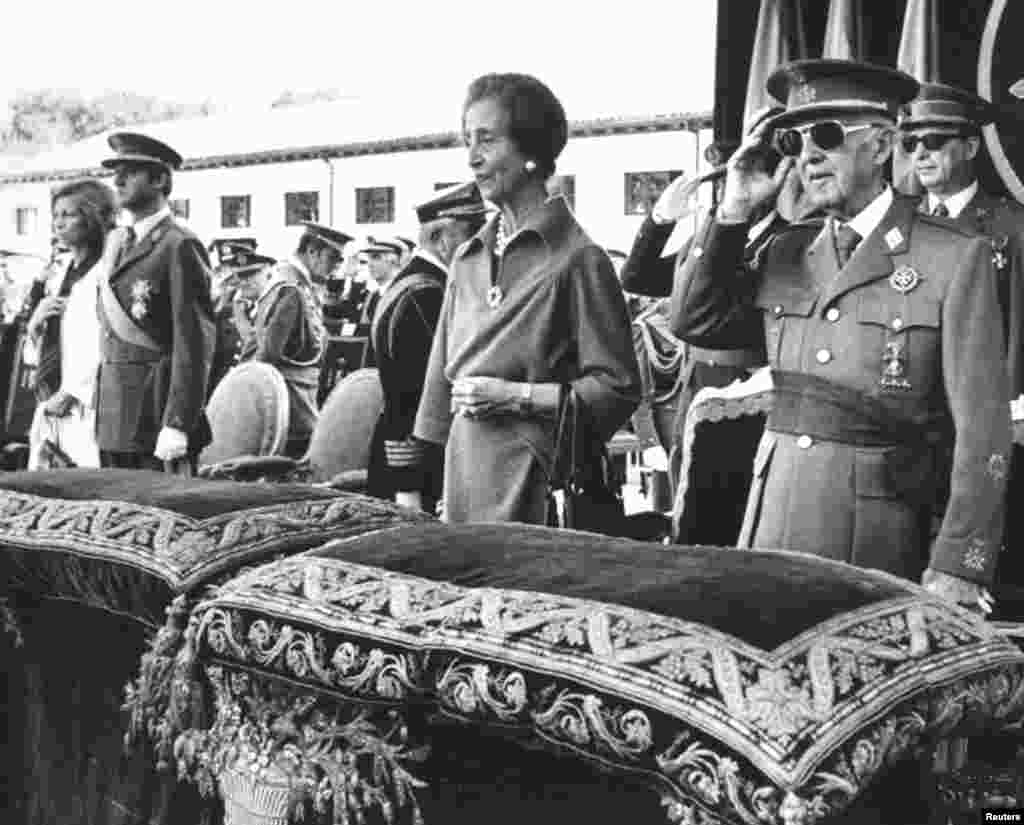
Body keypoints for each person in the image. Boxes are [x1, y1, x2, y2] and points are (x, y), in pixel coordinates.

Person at [670, 59, 1011, 609]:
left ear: (879, 147)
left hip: (881, 534)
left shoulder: (952, 257)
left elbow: (983, 430)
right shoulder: (785, 251)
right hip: (774, 520)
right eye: (793, 140)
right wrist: (733, 211)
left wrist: (957, 563)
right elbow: (694, 322)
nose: (807, 155)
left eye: (826, 136)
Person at [413, 72, 641, 525]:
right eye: (467, 142)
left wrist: (517, 396)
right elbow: (437, 391)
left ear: (532, 152)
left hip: (537, 482)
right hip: (464, 476)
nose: (473, 160)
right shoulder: (466, 257)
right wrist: (418, 485)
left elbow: (617, 388)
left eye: (487, 141)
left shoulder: (580, 259)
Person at [900, 82, 1024, 605]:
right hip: (909, 425)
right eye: (911, 143)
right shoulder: (901, 226)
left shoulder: (1010, 228)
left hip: (986, 423)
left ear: (971, 147)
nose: (921, 153)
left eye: (936, 140)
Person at [95, 132, 217, 474]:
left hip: (155, 415)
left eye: (130, 171)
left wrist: (178, 421)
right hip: (113, 415)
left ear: (160, 179)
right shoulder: (116, 243)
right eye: (115, 172)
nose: (117, 180)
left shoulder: (179, 245)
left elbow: (194, 341)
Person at [367, 182, 488, 514]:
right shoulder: (427, 294)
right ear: (442, 240)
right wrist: (410, 484)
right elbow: (417, 393)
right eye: (474, 232)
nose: (483, 242)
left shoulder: (407, 285)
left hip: (405, 457)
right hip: (418, 465)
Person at [23, 178, 116, 469]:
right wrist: (35, 326)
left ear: (92, 218)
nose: (58, 224)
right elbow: (38, 350)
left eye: (68, 215)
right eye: (56, 216)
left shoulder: (107, 272)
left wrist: (73, 391)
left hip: (88, 401)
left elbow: (107, 337)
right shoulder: (60, 272)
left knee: (84, 479)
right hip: (51, 396)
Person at [253, 222, 349, 455]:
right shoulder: (291, 288)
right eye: (333, 258)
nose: (336, 267)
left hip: (298, 401)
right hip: (292, 407)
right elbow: (268, 356)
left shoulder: (296, 283)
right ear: (312, 252)